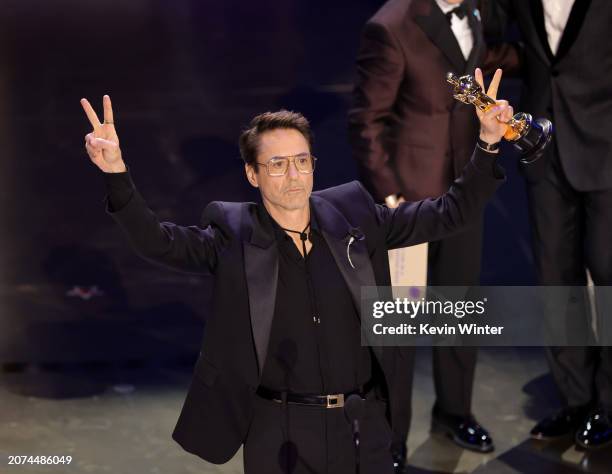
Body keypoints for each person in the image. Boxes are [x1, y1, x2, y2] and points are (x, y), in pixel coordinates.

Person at [80, 74, 510, 473]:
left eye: (302, 161)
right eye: (278, 164)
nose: (294, 176)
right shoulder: (234, 236)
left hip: (362, 425)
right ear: (252, 173)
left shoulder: (356, 217)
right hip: (277, 429)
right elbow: (159, 241)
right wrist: (116, 172)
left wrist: (488, 142)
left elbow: (450, 213)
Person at [349, 0, 495, 467]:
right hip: (411, 206)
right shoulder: (390, 26)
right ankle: (391, 440)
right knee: (402, 327)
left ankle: (454, 412)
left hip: (462, 193)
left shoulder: (476, 11)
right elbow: (365, 122)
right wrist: (391, 199)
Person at [483, 0, 612, 450]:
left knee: (609, 274)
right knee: (557, 279)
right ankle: (576, 398)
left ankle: (609, 404)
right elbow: (490, 33)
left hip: (607, 148)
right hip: (544, 152)